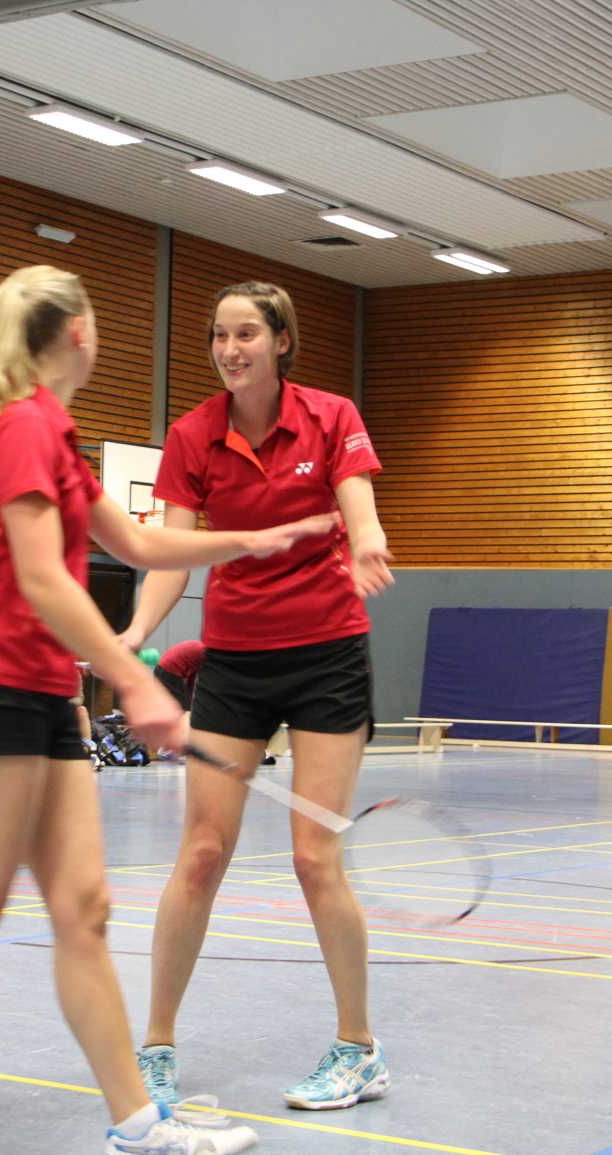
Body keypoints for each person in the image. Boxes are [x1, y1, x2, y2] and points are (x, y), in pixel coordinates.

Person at [0, 265, 334, 1155]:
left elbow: (140, 542)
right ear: (78, 332)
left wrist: (252, 538)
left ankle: (137, 1125)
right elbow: (44, 576)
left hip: (44, 697)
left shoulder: (52, 432)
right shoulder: (23, 425)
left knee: (83, 908)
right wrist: (137, 681)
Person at [119, 281, 395, 1111]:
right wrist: (135, 631)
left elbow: (357, 501)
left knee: (315, 857)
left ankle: (359, 1048)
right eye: (219, 335)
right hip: (236, 661)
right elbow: (170, 551)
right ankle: (155, 1046)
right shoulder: (192, 435)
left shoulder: (331, 416)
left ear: (281, 341)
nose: (230, 348)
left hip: (327, 655)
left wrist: (367, 539)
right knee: (203, 853)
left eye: (246, 333)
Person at [151, 640, 205, 712]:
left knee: (167, 704)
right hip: (169, 672)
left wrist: (190, 697)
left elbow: (192, 677)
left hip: (162, 669)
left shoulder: (203, 648)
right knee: (183, 709)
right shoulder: (207, 654)